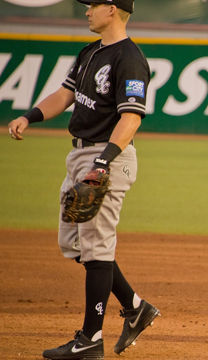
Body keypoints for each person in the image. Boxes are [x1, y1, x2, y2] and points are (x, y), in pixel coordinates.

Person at [8, 0, 159, 359]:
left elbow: (132, 118)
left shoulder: (130, 59)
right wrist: (29, 117)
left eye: (93, 4)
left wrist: (103, 162)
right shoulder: (90, 51)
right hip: (79, 155)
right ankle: (136, 307)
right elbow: (66, 95)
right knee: (75, 244)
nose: (87, 10)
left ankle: (90, 339)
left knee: (96, 247)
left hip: (107, 157)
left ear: (112, 9)